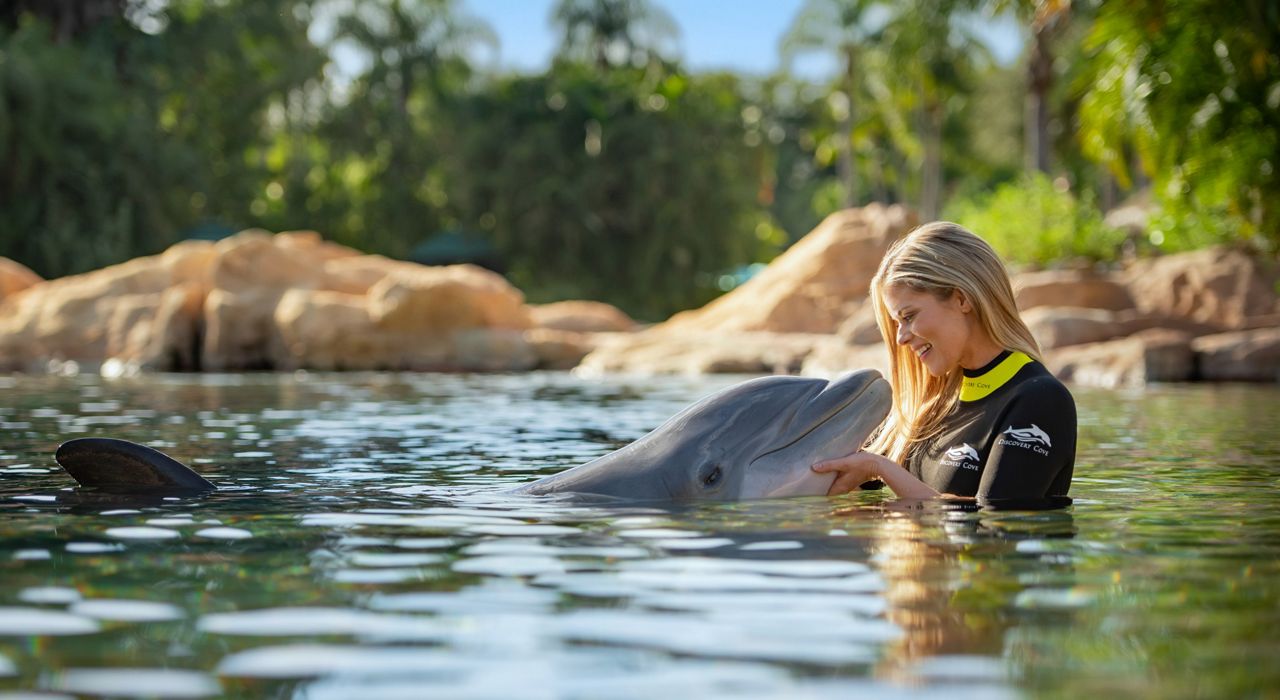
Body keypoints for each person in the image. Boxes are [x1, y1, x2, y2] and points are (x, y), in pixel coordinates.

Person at [812, 221, 1076, 505]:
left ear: (962, 299)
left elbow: (995, 525)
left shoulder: (1039, 400)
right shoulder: (926, 406)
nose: (901, 337)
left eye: (909, 316)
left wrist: (881, 469)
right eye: (897, 322)